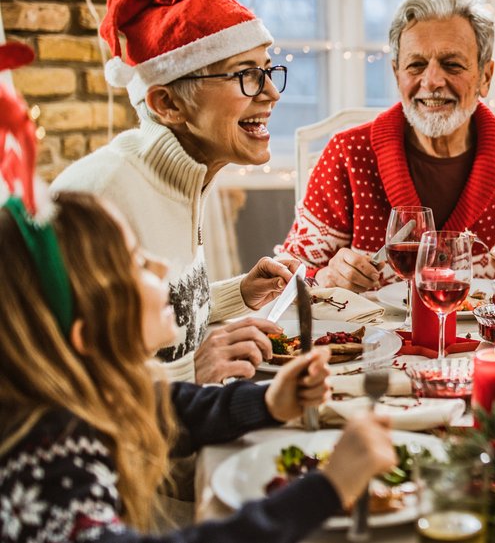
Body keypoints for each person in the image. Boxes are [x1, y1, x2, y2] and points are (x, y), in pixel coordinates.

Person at [0, 65, 396, 540]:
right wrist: (329, 487)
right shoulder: (50, 471)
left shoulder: (83, 392)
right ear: (88, 335)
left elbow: (171, 406)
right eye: (136, 261)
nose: (162, 267)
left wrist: (268, 400)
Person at [52, 0, 299, 384]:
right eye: (247, 75)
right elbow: (60, 379)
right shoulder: (97, 198)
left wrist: (240, 294)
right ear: (168, 104)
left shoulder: (185, 176)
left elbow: (159, 325)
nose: (271, 92)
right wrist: (191, 371)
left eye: (268, 71)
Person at [277, 0, 495, 292]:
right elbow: (286, 275)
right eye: (416, 65)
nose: (432, 81)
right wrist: (323, 277)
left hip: (485, 341)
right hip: (374, 339)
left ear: (485, 77)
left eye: (452, 64)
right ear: (397, 74)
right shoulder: (348, 153)